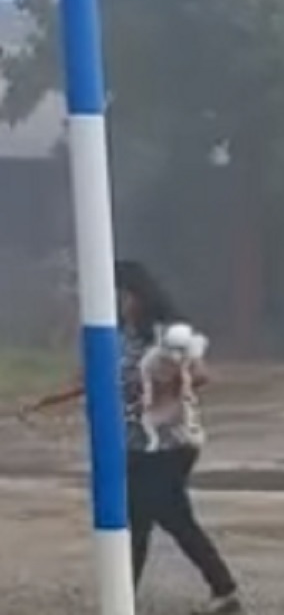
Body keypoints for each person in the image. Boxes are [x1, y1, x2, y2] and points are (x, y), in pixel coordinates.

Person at [22, 261, 241, 614]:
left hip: (171, 443)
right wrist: (48, 399)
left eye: (121, 295)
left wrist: (161, 386)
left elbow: (201, 375)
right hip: (137, 442)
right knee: (164, 517)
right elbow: (93, 378)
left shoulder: (168, 334)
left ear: (136, 295)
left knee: (144, 515)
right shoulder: (119, 337)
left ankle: (128, 597)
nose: (117, 302)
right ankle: (219, 589)